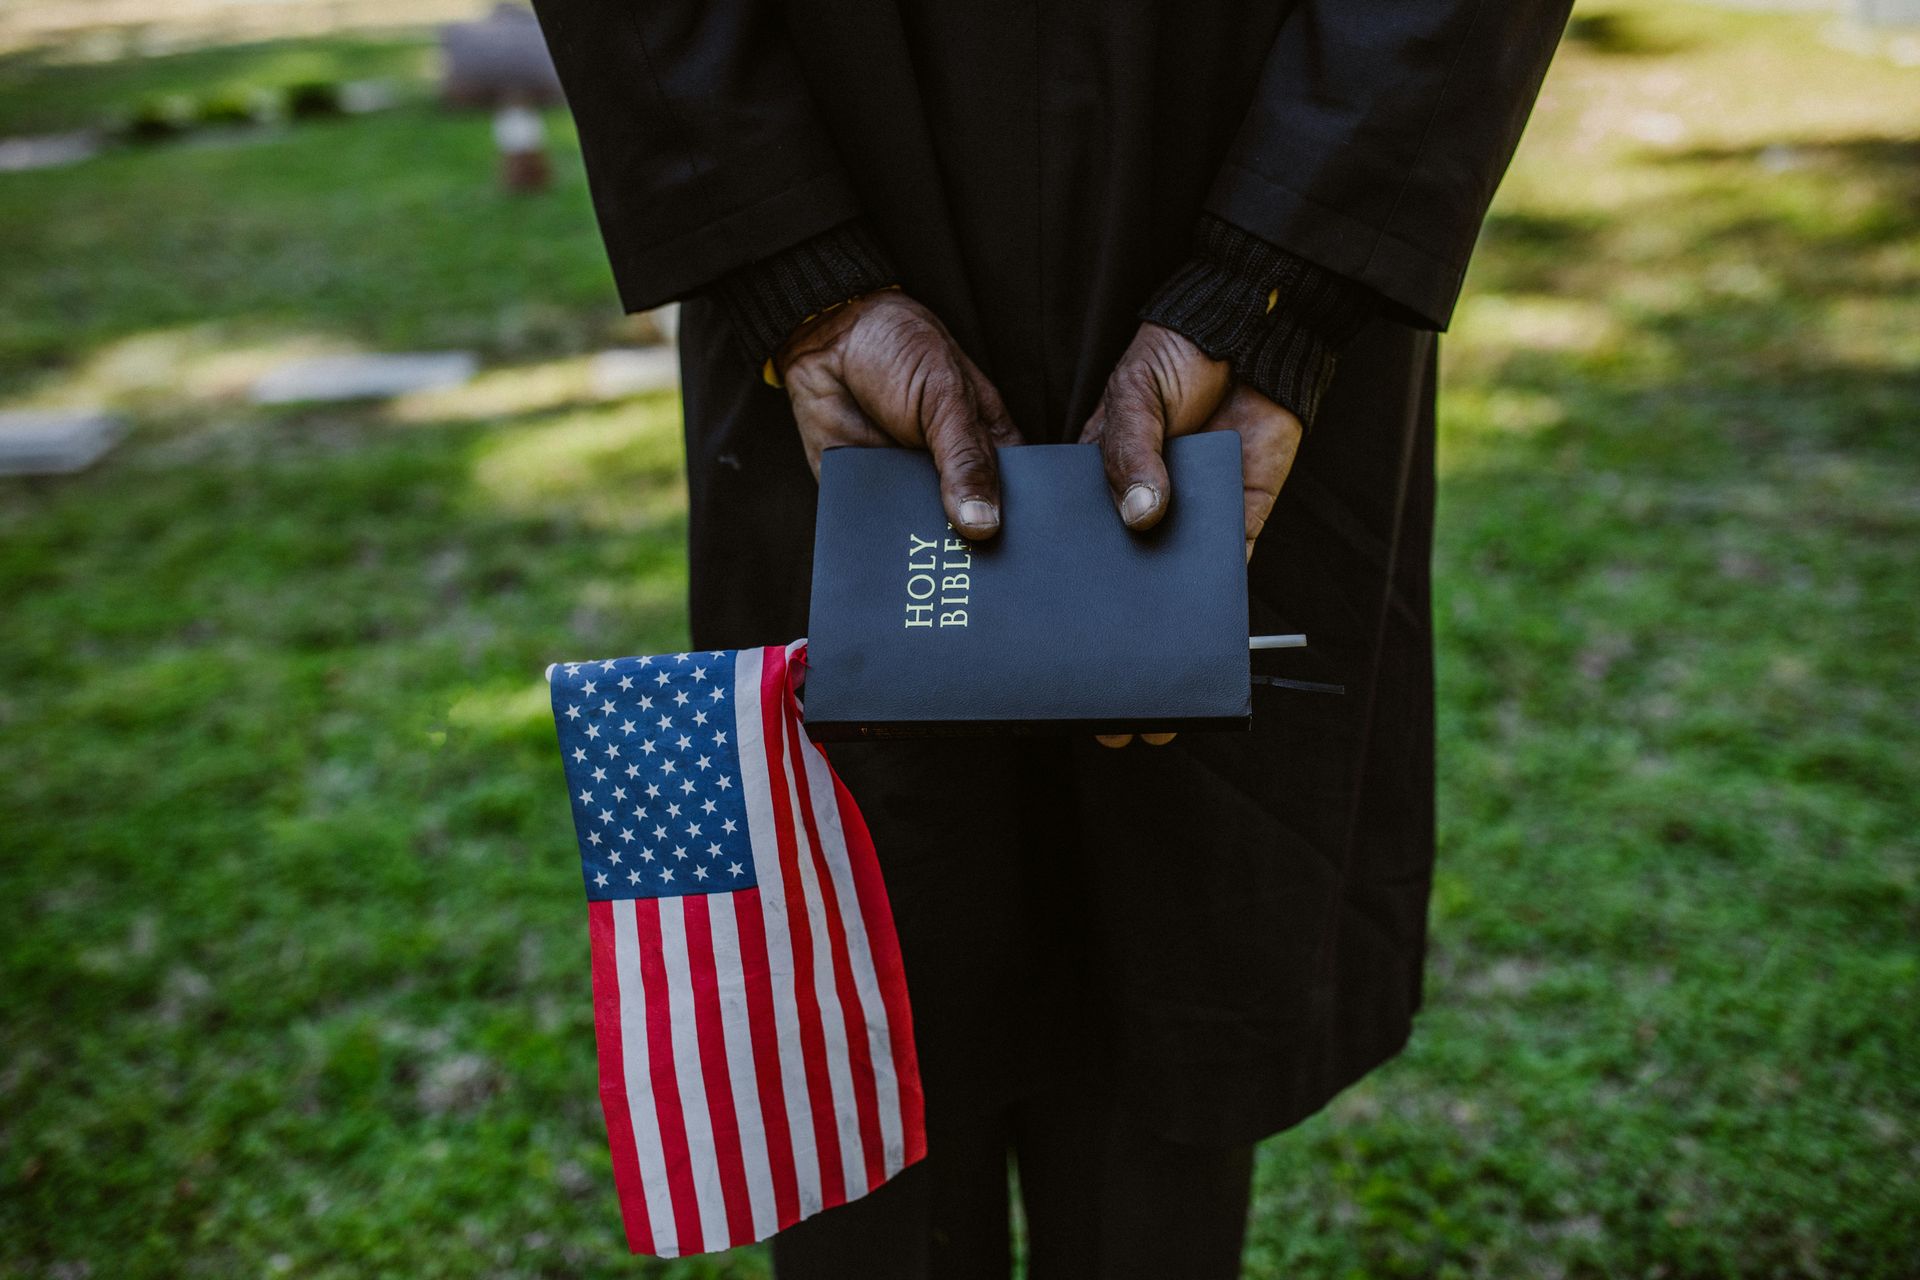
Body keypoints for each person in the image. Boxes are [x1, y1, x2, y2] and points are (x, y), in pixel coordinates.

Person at [528, 2, 1572, 1274]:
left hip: (1237, 210)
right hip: (831, 199)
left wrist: (1278, 283)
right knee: (858, 968)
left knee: (1178, 944)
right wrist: (794, 273)